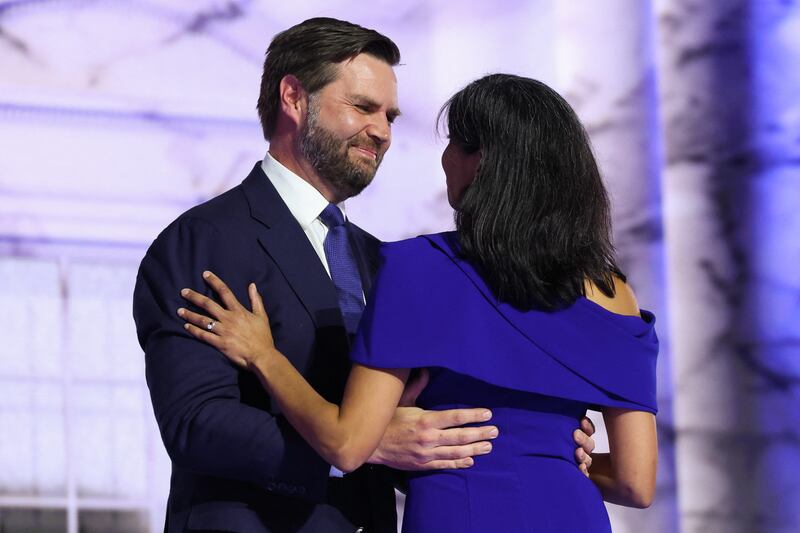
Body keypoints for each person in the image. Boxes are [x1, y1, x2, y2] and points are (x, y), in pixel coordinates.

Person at [133, 19, 596, 533]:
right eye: (363, 107)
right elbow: (196, 423)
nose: (383, 132)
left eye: (390, 116)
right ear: (294, 98)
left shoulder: (382, 261)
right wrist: (359, 446)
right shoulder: (205, 239)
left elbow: (421, 431)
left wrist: (552, 439)